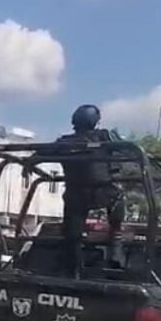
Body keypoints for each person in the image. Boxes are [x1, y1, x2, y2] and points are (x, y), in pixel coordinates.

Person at [55, 105, 125, 277]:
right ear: (95, 121)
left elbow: (40, 153)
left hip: (75, 195)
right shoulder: (105, 137)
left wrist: (29, 164)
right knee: (118, 196)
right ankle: (116, 244)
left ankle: (73, 269)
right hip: (104, 192)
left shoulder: (64, 142)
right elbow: (126, 149)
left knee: (72, 234)